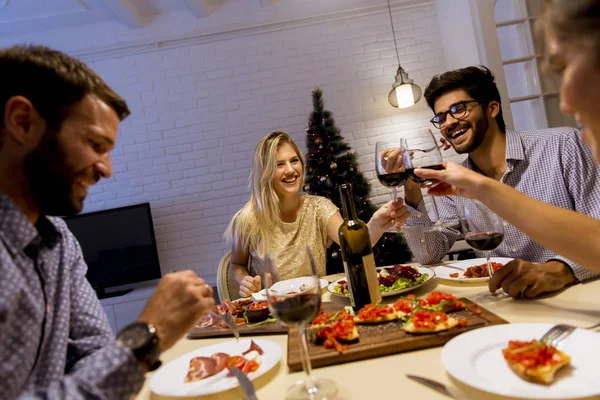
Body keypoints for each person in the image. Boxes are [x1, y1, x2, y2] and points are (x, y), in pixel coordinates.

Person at [0, 45, 215, 399]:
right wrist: (149, 333)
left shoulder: (60, 243)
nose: (107, 169)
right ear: (23, 122)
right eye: (96, 144)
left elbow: (95, 356)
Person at [414, 0, 600, 298]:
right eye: (441, 116)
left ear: (492, 108)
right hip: (504, 303)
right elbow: (428, 253)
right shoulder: (456, 180)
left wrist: (559, 270)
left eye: (459, 108)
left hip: (579, 298)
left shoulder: (563, 145)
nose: (449, 122)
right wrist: (412, 195)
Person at [225, 131, 409, 298]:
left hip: (316, 302)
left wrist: (376, 223)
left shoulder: (319, 207)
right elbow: (236, 265)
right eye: (279, 165)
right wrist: (245, 280)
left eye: (294, 160)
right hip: (273, 307)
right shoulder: (248, 219)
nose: (290, 170)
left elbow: (354, 245)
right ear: (264, 172)